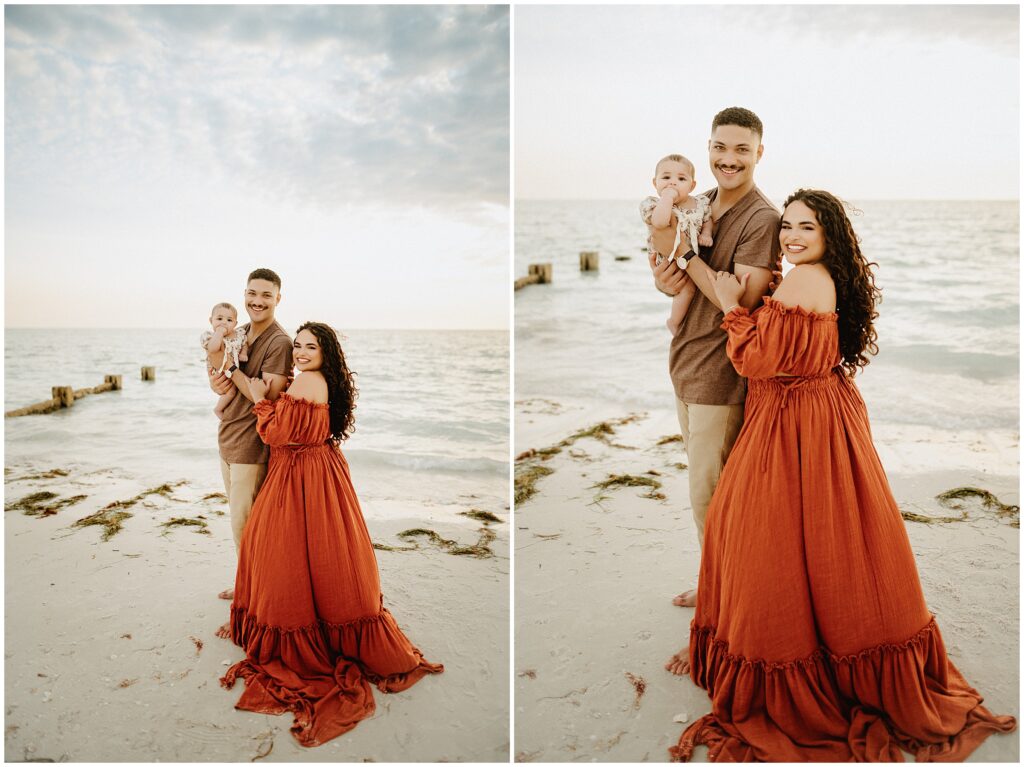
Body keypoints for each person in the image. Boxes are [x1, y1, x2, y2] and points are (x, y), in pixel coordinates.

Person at [666, 189, 1017, 761]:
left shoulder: (804, 279)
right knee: (826, 542)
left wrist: (732, 306)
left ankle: (779, 658)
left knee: (764, 535)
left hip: (794, 421)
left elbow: (756, 361)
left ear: (830, 234)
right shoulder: (816, 275)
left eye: (807, 227)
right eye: (788, 228)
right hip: (821, 413)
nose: (793, 237)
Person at [220, 321, 443, 746]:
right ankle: (331, 625)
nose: (301, 352)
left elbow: (274, 433)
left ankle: (305, 630)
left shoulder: (306, 380)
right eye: (298, 345)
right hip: (320, 472)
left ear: (326, 353)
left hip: (298, 476)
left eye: (310, 346)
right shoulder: (320, 380)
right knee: (324, 556)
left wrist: (253, 393)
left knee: (281, 552)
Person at [648, 107, 779, 608]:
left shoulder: (762, 218)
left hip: (722, 370)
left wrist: (683, 256)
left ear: (758, 153)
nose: (729, 159)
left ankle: (723, 595)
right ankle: (717, 580)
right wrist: (665, 277)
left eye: (741, 149)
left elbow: (741, 302)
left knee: (710, 493)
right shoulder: (695, 202)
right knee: (705, 488)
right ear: (708, 149)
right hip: (685, 359)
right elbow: (666, 263)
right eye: (720, 148)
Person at [207, 268, 293, 610]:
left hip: (252, 443)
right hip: (227, 435)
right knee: (238, 519)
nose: (257, 301)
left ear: (278, 299)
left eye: (266, 295)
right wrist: (217, 380)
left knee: (247, 524)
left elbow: (266, 398)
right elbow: (218, 366)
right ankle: (248, 582)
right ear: (244, 294)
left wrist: (230, 371)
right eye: (252, 294)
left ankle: (253, 596)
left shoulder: (280, 342)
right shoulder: (238, 331)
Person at [640, 153, 713, 334]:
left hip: (691, 255)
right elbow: (659, 222)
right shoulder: (654, 205)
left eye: (681, 179)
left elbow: (708, 218)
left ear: (692, 185)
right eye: (666, 178)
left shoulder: (701, 202)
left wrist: (706, 232)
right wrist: (667, 198)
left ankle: (681, 321)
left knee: (691, 286)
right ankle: (674, 322)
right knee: (686, 288)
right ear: (655, 182)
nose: (672, 183)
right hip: (668, 258)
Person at [200, 302, 249, 420]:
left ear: (235, 323)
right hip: (218, 370)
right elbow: (213, 348)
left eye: (229, 320)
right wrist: (219, 333)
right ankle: (218, 409)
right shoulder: (210, 336)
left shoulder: (239, 334)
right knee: (231, 392)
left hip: (232, 368)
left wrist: (243, 353)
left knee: (235, 389)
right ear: (211, 320)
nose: (223, 323)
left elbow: (245, 342)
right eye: (219, 319)